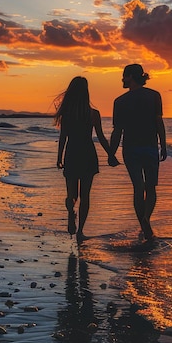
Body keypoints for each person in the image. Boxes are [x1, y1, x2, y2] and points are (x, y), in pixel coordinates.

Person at [109, 63, 167, 242]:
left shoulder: (119, 101)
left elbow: (117, 130)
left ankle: (143, 225)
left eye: (124, 76)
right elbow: (159, 123)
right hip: (150, 147)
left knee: (138, 186)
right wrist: (163, 144)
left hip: (131, 149)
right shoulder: (154, 96)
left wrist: (111, 153)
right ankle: (146, 219)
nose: (122, 79)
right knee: (151, 188)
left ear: (131, 77)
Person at [54, 76, 111, 242]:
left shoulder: (67, 114)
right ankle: (80, 231)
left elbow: (63, 137)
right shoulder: (93, 114)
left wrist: (59, 157)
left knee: (71, 194)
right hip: (87, 154)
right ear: (86, 92)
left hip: (72, 153)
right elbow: (100, 136)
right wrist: (110, 154)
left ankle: (71, 213)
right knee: (85, 195)